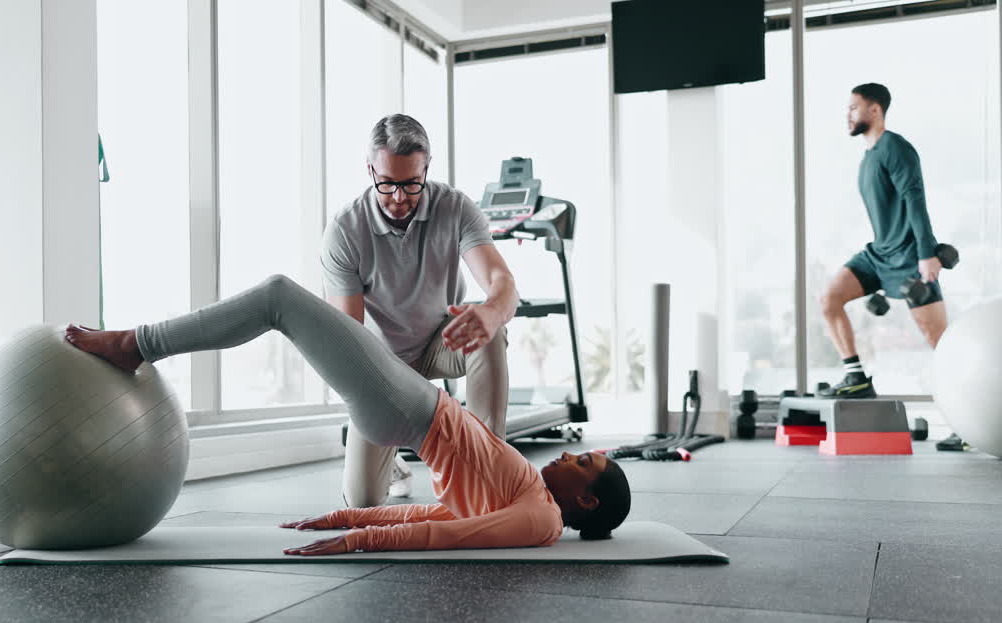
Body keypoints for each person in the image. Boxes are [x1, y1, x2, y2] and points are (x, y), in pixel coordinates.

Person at [64, 274, 629, 555]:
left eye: (581, 464)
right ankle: (136, 343)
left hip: (410, 408)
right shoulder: (530, 496)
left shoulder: (539, 519)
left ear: (586, 501)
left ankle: (136, 344)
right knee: (280, 300)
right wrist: (344, 519)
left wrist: (358, 541)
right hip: (410, 407)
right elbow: (435, 512)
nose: (568, 455)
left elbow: (450, 534)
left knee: (278, 297)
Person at [323, 114, 519, 506]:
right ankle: (390, 461)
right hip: (380, 364)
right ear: (370, 170)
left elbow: (503, 283)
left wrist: (491, 313)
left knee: (490, 331)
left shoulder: (455, 208)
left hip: (441, 342)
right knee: (362, 502)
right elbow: (349, 343)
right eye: (387, 183)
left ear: (426, 169)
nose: (399, 197)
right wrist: (382, 401)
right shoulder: (345, 230)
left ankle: (487, 469)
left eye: (411, 183)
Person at [817, 83, 963, 449]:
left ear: (875, 110)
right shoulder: (869, 156)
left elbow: (915, 198)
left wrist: (926, 254)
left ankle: (968, 421)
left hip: (910, 257)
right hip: (879, 254)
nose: (848, 114)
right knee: (830, 298)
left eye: (854, 107)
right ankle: (856, 378)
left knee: (941, 344)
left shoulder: (895, 148)